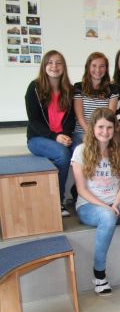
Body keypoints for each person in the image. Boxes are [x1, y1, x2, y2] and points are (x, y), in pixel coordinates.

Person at [71, 107, 120, 294]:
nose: (105, 131)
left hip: (115, 201)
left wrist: (115, 204)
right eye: (100, 127)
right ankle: (99, 273)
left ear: (114, 129)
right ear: (93, 128)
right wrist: (106, 206)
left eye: (109, 127)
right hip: (89, 205)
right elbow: (81, 189)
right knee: (108, 217)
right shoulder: (81, 151)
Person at [25, 49, 76, 216]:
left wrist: (66, 135)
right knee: (62, 154)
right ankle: (58, 201)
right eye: (50, 62)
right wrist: (56, 137)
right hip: (38, 138)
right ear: (44, 66)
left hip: (61, 136)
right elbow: (34, 121)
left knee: (84, 148)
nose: (54, 66)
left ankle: (81, 195)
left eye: (58, 63)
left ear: (64, 67)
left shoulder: (69, 90)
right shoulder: (34, 88)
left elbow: (71, 119)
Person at [73, 52, 118, 147]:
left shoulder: (113, 89)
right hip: (82, 132)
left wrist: (100, 134)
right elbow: (80, 118)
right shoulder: (78, 87)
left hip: (104, 133)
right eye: (94, 66)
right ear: (88, 67)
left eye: (102, 66)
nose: (98, 70)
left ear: (106, 69)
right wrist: (92, 134)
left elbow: (109, 116)